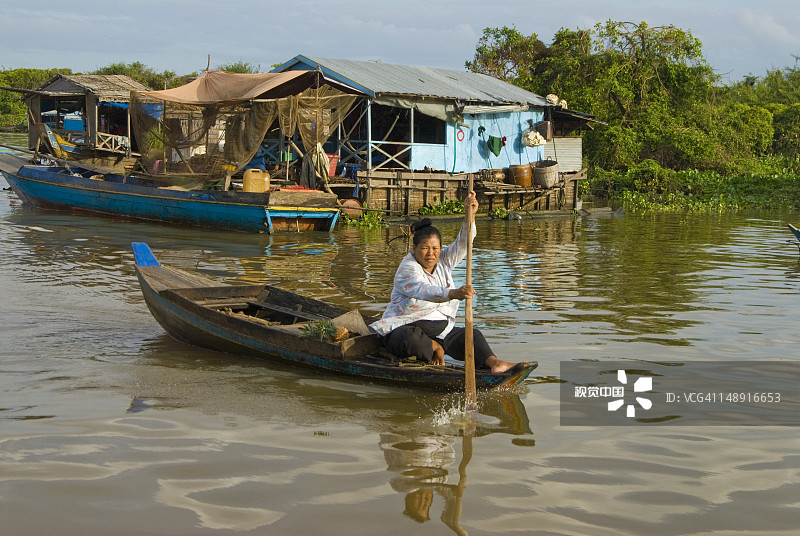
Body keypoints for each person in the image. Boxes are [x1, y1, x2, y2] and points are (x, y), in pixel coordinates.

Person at [369, 191, 515, 374]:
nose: (431, 254)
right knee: (410, 339)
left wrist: (469, 215)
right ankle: (435, 348)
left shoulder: (443, 261)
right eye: (425, 248)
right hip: (404, 326)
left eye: (435, 248)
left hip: (440, 330)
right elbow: (424, 290)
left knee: (472, 335)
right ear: (414, 249)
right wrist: (454, 293)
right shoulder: (407, 268)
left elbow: (463, 244)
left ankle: (495, 363)